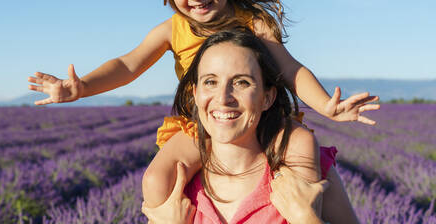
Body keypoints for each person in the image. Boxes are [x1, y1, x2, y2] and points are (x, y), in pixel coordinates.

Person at [27, 0, 376, 221]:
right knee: (155, 179)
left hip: (263, 117)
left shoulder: (253, 22)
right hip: (201, 125)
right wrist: (81, 87)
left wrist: (326, 105)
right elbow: (128, 64)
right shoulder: (171, 30)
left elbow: (288, 67)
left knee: (302, 147)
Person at [142, 28, 347, 223]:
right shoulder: (175, 189)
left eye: (242, 82)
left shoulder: (307, 169)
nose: (223, 98)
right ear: (195, 94)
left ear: (267, 97)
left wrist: (308, 220)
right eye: (210, 82)